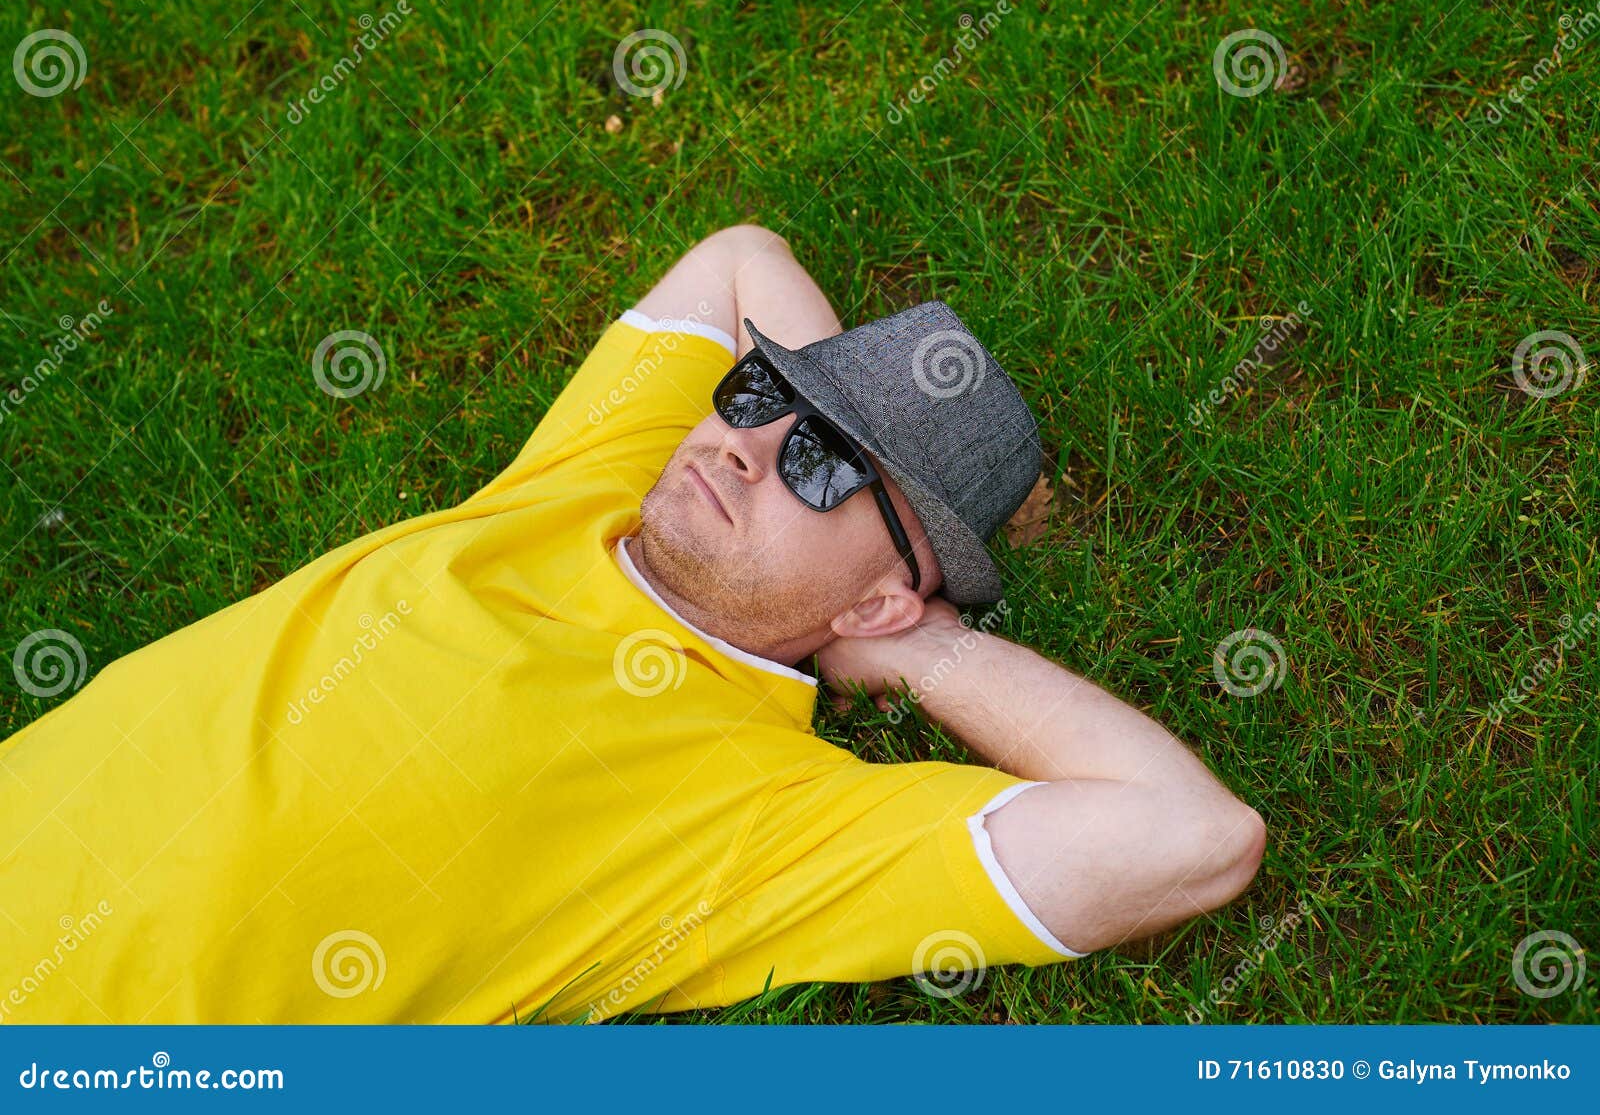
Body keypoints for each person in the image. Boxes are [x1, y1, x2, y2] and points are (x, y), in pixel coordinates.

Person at [0, 225, 1263, 1024]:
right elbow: (737, 255)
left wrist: (920, 643)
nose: (747, 443)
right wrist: (847, 476)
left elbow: (1190, 837)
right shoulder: (590, 485)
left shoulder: (748, 816)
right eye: (766, 392)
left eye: (827, 465)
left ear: (881, 594)